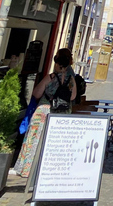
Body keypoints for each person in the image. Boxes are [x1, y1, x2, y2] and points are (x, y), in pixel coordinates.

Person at [14, 48, 77, 177]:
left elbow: (36, 93)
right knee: (53, 144)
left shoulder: (50, 77)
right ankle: (46, 171)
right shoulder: (71, 80)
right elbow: (72, 97)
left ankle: (27, 169)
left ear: (56, 61)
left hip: (44, 111)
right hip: (62, 115)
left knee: (34, 140)